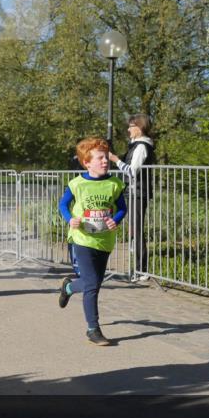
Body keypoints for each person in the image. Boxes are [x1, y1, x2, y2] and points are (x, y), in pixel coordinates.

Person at [57, 137, 127, 346]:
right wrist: (71, 219)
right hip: (82, 239)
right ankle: (93, 329)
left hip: (105, 240)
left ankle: (68, 288)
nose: (105, 161)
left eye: (106, 157)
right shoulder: (77, 184)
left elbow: (122, 207)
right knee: (92, 285)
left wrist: (115, 220)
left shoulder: (114, 183)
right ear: (87, 162)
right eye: (100, 158)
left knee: (94, 282)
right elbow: (63, 205)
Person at [109, 114, 155, 280]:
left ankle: (141, 270)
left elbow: (131, 171)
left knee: (137, 229)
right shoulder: (135, 145)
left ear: (139, 127)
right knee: (134, 229)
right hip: (134, 191)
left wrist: (115, 160)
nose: (128, 129)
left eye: (131, 126)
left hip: (138, 191)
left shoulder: (141, 146)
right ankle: (137, 269)